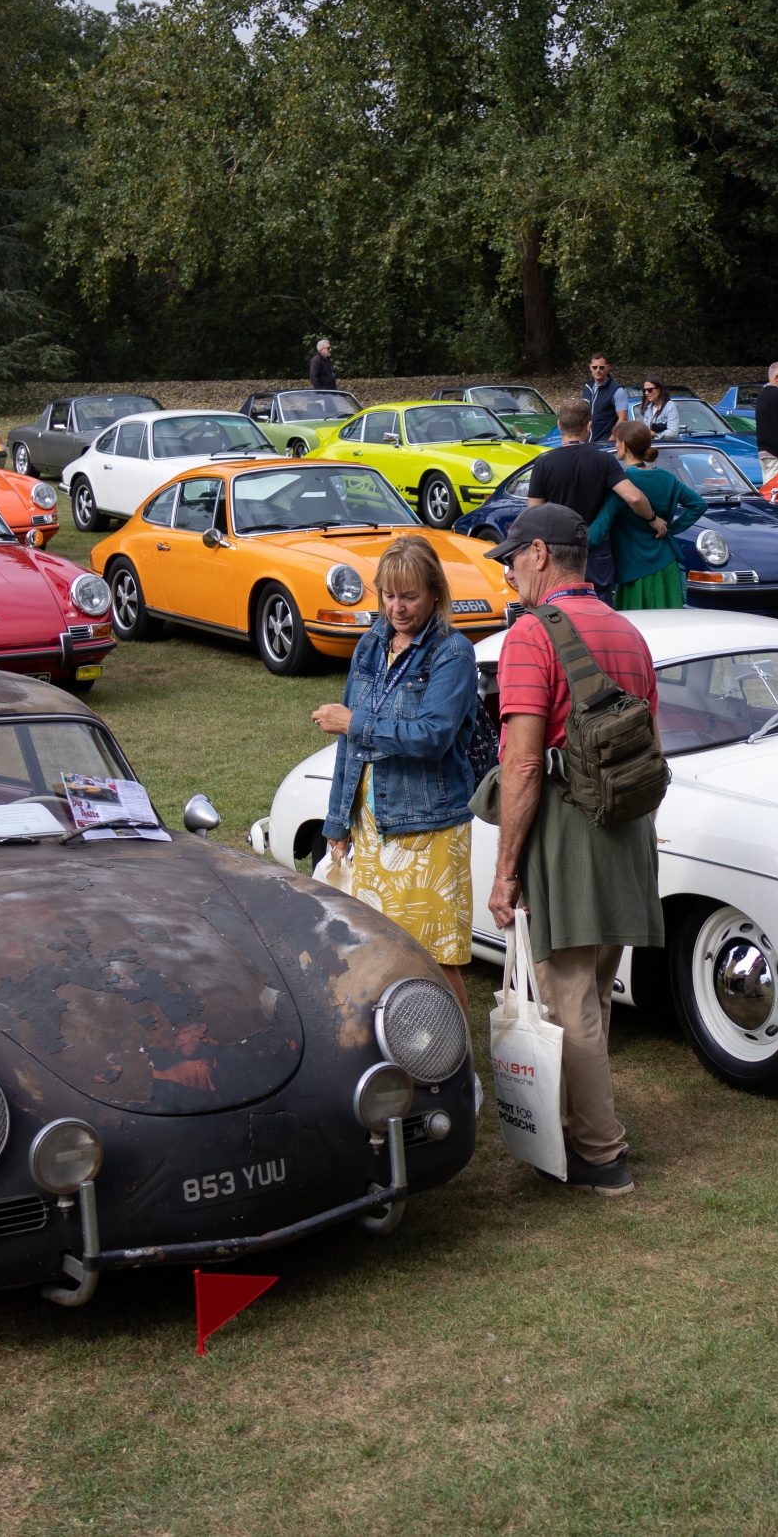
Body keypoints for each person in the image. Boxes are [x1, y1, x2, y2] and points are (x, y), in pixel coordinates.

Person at [483, 505, 665, 1196]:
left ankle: (601, 1152)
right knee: (592, 995)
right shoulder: (627, 631)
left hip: (566, 831)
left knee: (568, 1001)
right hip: (625, 831)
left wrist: (506, 871)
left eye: (512, 556)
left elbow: (525, 763)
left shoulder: (531, 634)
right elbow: (653, 745)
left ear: (539, 554)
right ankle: (573, 1127)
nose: (508, 570)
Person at [310, 535, 482, 969]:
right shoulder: (371, 643)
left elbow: (431, 737)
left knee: (434, 964)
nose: (397, 608)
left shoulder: (453, 653)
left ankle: (448, 1021)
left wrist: (354, 723)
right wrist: (338, 822)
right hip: (372, 825)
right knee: (380, 958)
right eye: (388, 595)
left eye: (409, 597)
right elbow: (350, 746)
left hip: (429, 828)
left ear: (435, 593)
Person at [527, 397, 658, 599]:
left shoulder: (543, 463)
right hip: (596, 552)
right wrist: (653, 519)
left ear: (559, 425)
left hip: (558, 553)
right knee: (599, 606)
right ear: (588, 426)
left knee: (562, 605)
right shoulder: (604, 460)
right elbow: (633, 497)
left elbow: (534, 513)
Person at [589, 420, 706, 609]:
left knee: (637, 625)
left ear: (625, 445)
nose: (615, 445)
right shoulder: (667, 478)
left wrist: (571, 550)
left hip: (634, 572)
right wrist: (670, 529)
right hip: (666, 564)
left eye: (617, 441)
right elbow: (698, 505)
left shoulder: (624, 486)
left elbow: (599, 528)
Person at [581, 354, 625, 443]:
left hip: (605, 443)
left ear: (607, 367)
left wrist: (612, 437)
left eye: (601, 367)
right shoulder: (587, 387)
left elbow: (623, 419)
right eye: (594, 367)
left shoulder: (617, 390)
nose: (598, 370)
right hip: (587, 442)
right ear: (590, 367)